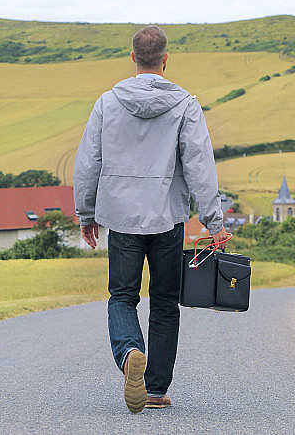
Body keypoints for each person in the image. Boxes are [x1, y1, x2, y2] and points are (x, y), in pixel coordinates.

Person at [73, 25, 229, 414]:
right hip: (167, 219)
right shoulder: (185, 105)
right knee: (163, 303)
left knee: (122, 297)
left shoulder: (107, 103)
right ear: (165, 58)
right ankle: (156, 389)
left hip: (121, 219)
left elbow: (88, 162)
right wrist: (214, 222)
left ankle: (129, 355)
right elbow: (199, 166)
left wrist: (86, 213)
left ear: (132, 58)